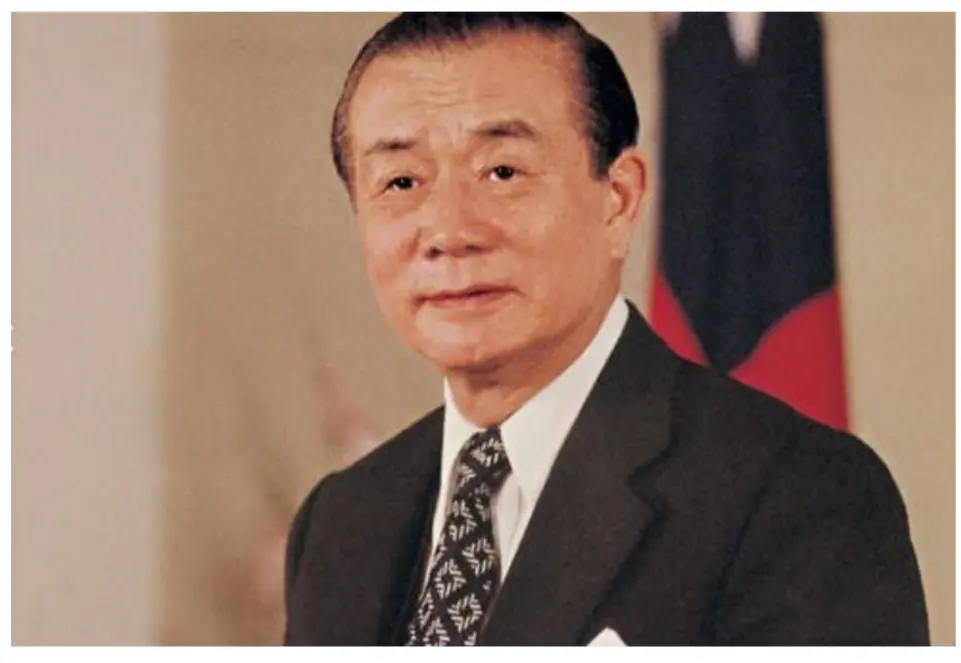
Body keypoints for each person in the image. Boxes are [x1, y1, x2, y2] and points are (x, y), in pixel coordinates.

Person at [283, 12, 928, 646]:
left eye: (502, 172)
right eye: (401, 181)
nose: (449, 232)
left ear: (618, 199)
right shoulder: (339, 523)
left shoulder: (799, 493)